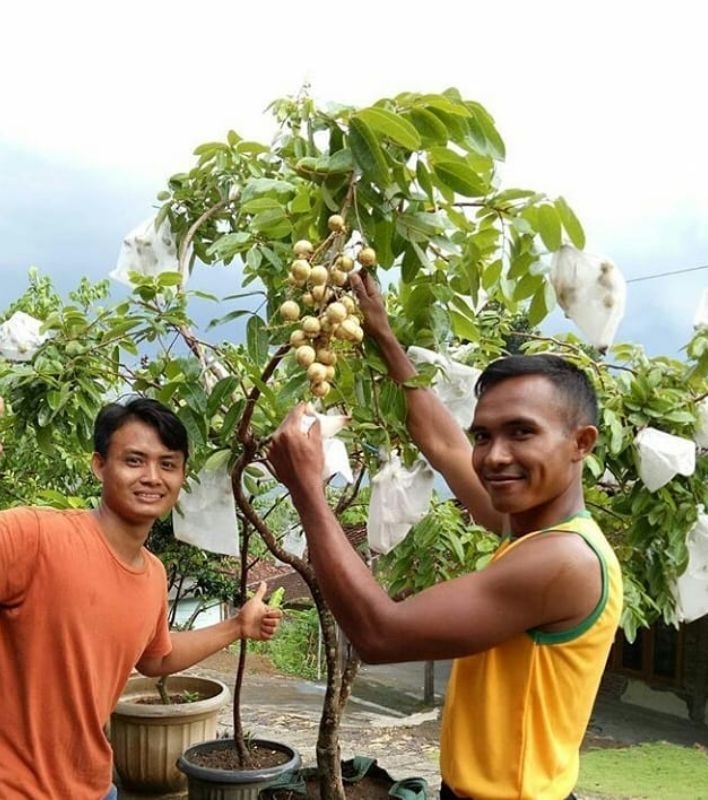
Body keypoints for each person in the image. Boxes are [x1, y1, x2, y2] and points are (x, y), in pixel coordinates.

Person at [266, 270, 623, 800]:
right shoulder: (525, 525)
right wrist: (384, 336)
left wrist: (307, 491)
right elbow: (446, 446)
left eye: (522, 432)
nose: (495, 455)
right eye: (485, 434)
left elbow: (380, 634)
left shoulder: (564, 560)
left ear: (581, 442)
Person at [0, 396, 281, 800]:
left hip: (90, 789)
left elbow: (156, 658)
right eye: (134, 460)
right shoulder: (35, 535)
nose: (152, 476)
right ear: (99, 465)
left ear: (182, 476)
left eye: (167, 464)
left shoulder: (153, 575)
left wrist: (238, 625)